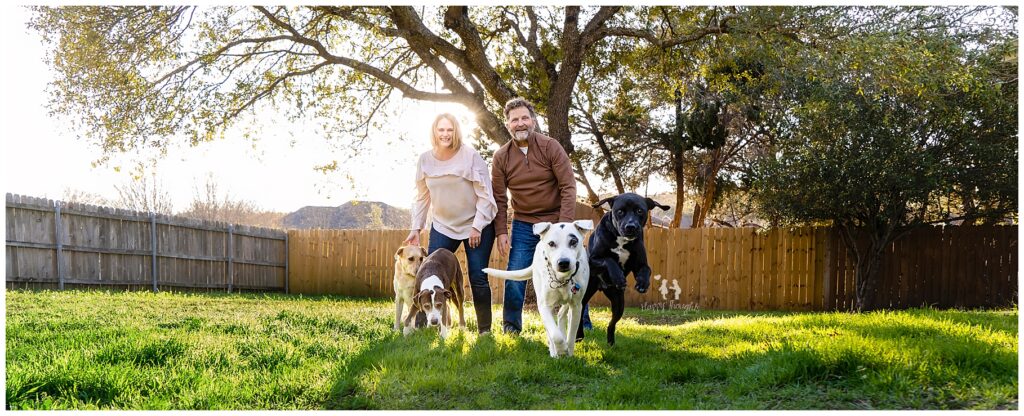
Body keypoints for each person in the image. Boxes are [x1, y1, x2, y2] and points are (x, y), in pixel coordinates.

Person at [491, 97, 584, 335]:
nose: (520, 123)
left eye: (524, 118)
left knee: (575, 270)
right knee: (516, 272)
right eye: (514, 120)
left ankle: (582, 323)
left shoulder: (550, 147)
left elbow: (568, 187)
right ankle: (511, 326)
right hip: (524, 224)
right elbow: (499, 199)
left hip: (556, 222)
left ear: (533, 120)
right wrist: (501, 231)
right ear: (507, 124)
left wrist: (564, 225)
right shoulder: (501, 157)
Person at [405, 113, 497, 334]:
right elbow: (422, 196)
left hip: (476, 225)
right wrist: (416, 228)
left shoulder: (470, 156)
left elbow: (485, 194)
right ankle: (421, 327)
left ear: (456, 131)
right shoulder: (425, 160)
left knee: (477, 277)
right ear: (434, 132)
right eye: (441, 130)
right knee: (426, 274)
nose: (445, 134)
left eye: (449, 130)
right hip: (443, 225)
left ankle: (484, 330)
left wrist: (477, 225)